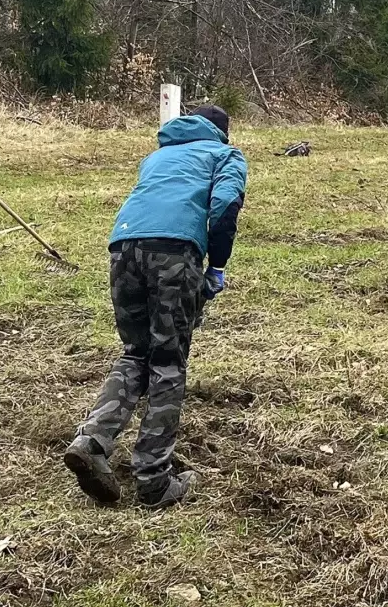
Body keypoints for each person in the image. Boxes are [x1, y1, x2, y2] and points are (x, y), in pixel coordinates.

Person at [64, 106, 248, 509]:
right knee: (168, 361)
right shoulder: (225, 155)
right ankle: (153, 479)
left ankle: (92, 441)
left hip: (123, 248)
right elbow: (225, 206)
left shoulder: (158, 156)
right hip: (173, 253)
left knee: (135, 353)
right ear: (222, 133)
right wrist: (215, 267)